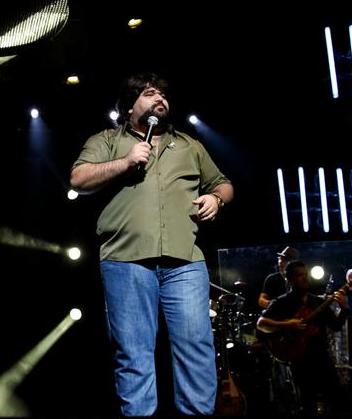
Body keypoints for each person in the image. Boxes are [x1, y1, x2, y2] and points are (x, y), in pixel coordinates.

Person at [70, 72, 234, 416]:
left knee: (196, 349)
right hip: (125, 261)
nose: (161, 99)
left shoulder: (190, 144)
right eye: (150, 93)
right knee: (133, 352)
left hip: (186, 261)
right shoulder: (107, 140)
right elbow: (79, 179)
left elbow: (223, 183)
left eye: (164, 95)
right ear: (130, 105)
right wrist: (127, 161)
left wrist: (216, 200)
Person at [257, 260, 350, 416]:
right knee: (308, 403)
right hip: (299, 359)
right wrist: (287, 325)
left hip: (322, 357)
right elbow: (261, 324)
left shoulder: (318, 302)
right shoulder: (282, 302)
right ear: (289, 280)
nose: (305, 278)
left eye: (305, 274)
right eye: (299, 275)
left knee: (336, 399)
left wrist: (345, 308)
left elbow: (335, 326)